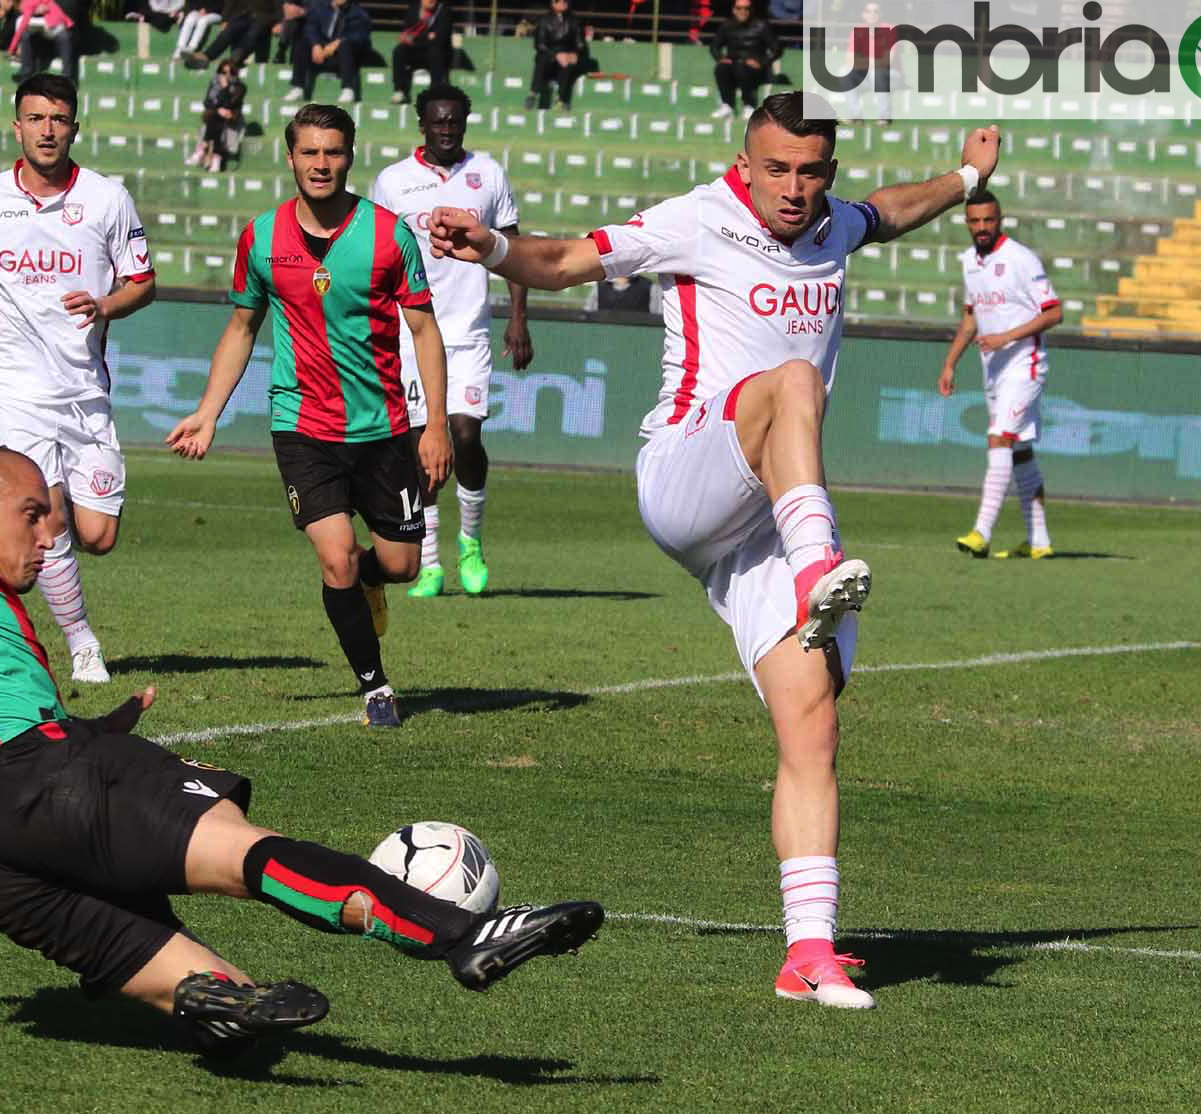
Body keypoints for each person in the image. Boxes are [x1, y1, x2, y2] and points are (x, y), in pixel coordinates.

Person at [0, 443, 605, 1055]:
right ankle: (460, 934)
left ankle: (213, 1005)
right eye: (32, 510)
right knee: (244, 846)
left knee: (221, 987)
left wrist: (100, 731)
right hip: (42, 784)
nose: (50, 526)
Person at [430, 91, 1001, 1009]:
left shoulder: (833, 225)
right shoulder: (699, 216)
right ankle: (820, 568)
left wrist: (969, 177)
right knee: (791, 380)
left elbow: (893, 211)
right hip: (690, 470)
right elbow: (572, 258)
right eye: (776, 167)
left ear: (829, 173)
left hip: (769, 514)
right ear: (747, 160)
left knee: (812, 724)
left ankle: (807, 953)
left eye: (811, 171)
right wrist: (493, 250)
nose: (792, 186)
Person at [166, 104, 450, 729]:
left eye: (334, 152)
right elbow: (243, 327)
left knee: (400, 564)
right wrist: (208, 413)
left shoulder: (389, 236)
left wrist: (437, 425)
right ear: (290, 157)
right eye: (310, 152)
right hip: (302, 426)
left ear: (350, 156)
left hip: (384, 427)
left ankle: (368, 582)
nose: (322, 164)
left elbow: (425, 331)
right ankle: (375, 686)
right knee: (335, 557)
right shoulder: (262, 238)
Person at [0, 74, 155, 684]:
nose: (47, 130)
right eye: (35, 118)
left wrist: (105, 305)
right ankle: (80, 641)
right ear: (17, 126)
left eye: (58, 119)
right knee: (45, 516)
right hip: (15, 385)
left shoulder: (107, 199)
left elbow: (143, 282)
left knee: (99, 534)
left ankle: (71, 622)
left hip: (85, 391)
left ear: (74, 127)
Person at [371, 84, 531, 599]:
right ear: (422, 122)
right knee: (423, 448)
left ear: (464, 121)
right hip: (411, 333)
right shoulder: (393, 182)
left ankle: (471, 543)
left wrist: (518, 318)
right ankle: (432, 561)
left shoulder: (488, 176)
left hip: (468, 331)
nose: (446, 128)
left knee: (464, 433)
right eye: (437, 121)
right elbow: (376, 256)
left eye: (454, 121)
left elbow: (515, 249)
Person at [938, 190, 1060, 561]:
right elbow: (971, 317)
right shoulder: (969, 263)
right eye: (975, 221)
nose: (982, 227)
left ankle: (982, 532)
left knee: (999, 439)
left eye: (988, 220)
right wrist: (950, 362)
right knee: (1020, 451)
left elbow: (1053, 313)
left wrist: (1007, 337)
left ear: (1000, 219)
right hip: (994, 370)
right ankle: (1039, 541)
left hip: (1025, 364)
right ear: (967, 223)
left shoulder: (1021, 259)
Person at [284, 0, 369, 105]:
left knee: (345, 45)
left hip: (343, 56)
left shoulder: (357, 12)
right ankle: (298, 87)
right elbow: (310, 27)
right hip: (321, 53)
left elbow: (360, 35)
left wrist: (339, 41)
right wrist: (316, 44)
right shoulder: (320, 9)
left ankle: (348, 89)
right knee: (302, 44)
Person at [708, 0, 775, 120]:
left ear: (751, 10)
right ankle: (727, 105)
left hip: (755, 68)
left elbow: (776, 49)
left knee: (742, 68)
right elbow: (714, 46)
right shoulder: (727, 26)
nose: (742, 12)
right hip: (733, 65)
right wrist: (720, 58)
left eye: (746, 8)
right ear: (734, 10)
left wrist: (761, 62)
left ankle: (749, 106)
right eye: (739, 8)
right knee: (721, 68)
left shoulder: (762, 26)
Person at [186, 60, 246, 172]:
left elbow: (230, 104)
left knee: (216, 119)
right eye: (224, 72)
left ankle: (202, 149)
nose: (227, 75)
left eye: (230, 73)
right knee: (215, 118)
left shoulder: (240, 87)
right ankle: (216, 159)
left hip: (231, 118)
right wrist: (218, 109)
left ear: (235, 73)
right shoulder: (214, 83)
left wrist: (225, 88)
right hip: (215, 115)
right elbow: (207, 102)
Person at [389, 0, 451, 105]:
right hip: (416, 50)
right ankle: (400, 91)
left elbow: (441, 37)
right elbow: (406, 32)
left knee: (435, 51)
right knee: (399, 50)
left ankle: (434, 92)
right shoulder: (413, 9)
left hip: (435, 52)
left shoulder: (443, 11)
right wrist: (427, 37)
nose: (431, 0)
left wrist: (416, 39)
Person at [526, 0, 585, 111]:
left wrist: (574, 54)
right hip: (548, 55)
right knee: (541, 60)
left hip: (566, 55)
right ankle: (533, 94)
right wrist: (556, 54)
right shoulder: (544, 20)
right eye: (561, 1)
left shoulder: (574, 21)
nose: (565, 3)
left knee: (568, 64)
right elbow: (539, 44)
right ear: (553, 4)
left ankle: (560, 99)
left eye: (566, 1)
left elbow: (579, 43)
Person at [9, 0, 78, 83]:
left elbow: (22, 25)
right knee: (26, 34)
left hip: (55, 27)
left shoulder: (28, 3)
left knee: (64, 37)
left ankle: (67, 78)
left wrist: (12, 48)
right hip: (43, 27)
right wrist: (34, 11)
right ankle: (26, 76)